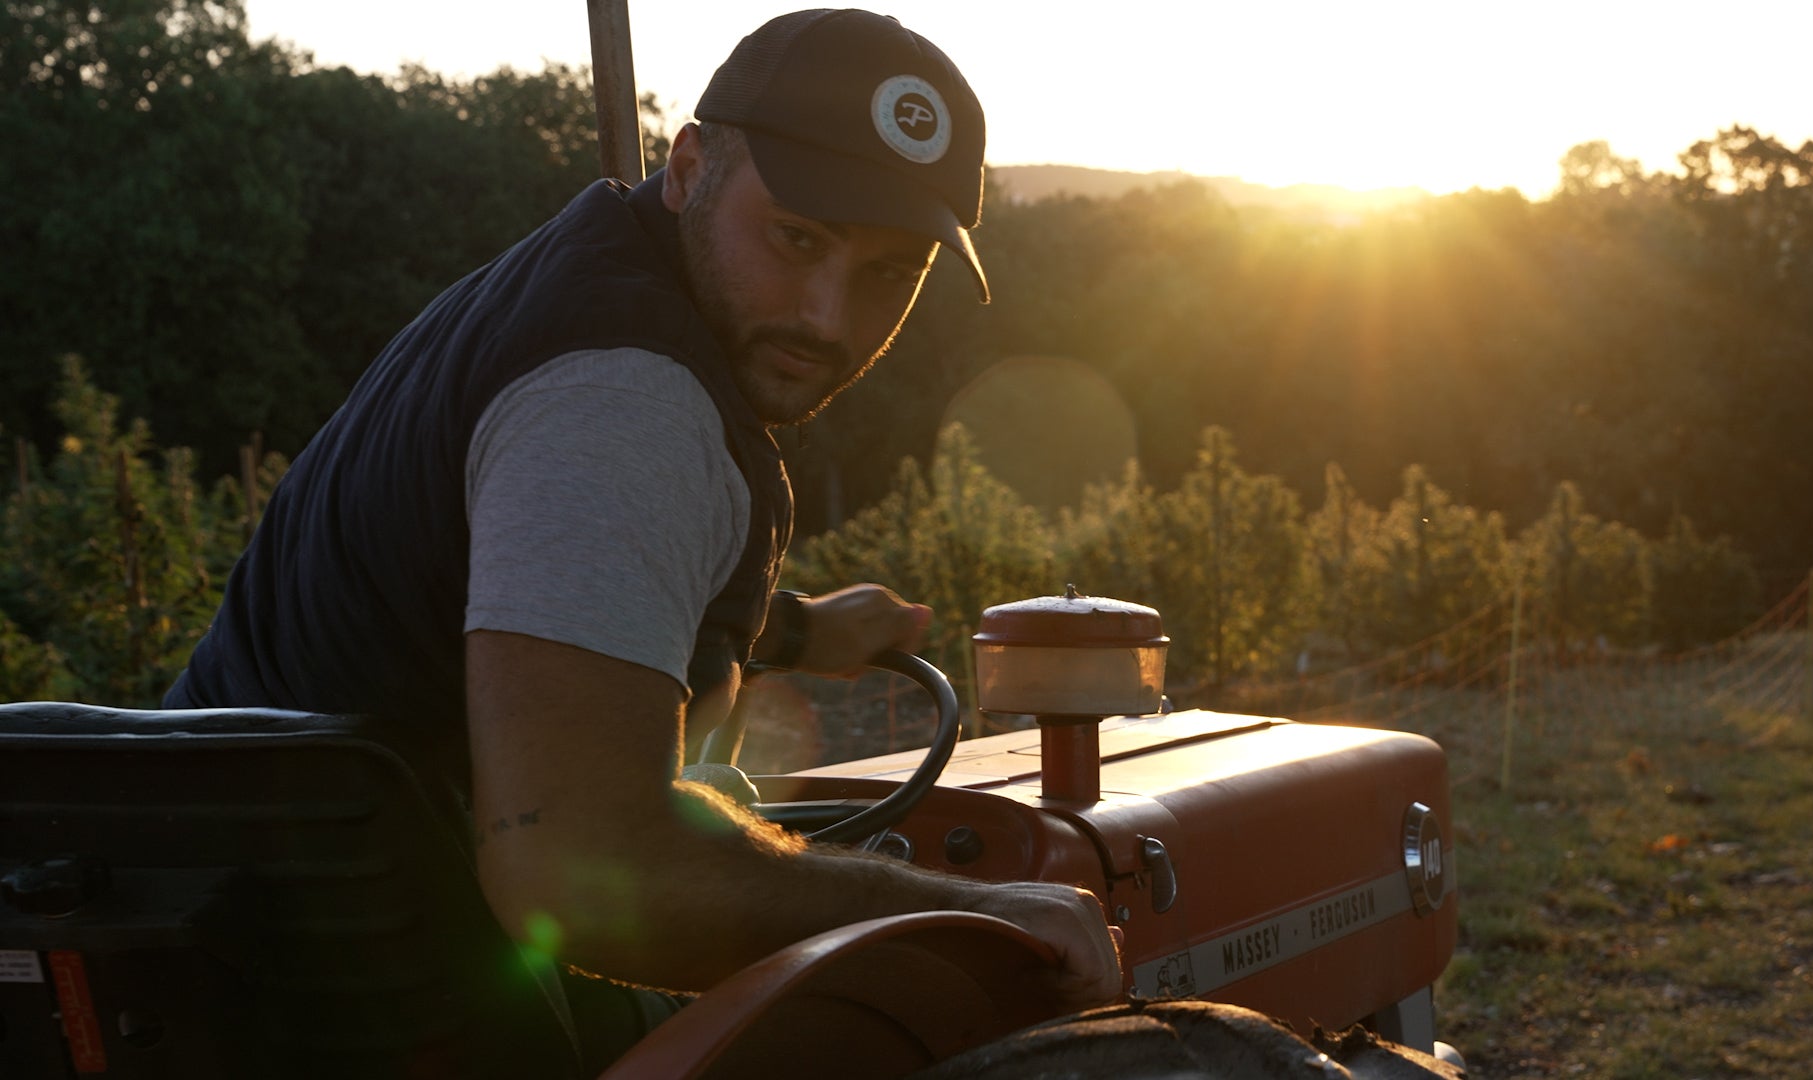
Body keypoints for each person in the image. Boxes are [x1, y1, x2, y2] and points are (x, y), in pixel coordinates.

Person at [163, 6, 1121, 1059]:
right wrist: (978, 917)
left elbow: (530, 587)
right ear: (690, 163)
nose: (827, 317)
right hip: (378, 1014)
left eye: (889, 273)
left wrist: (793, 634)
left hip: (244, 942)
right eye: (797, 238)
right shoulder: (629, 401)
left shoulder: (571, 286)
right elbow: (574, 872)